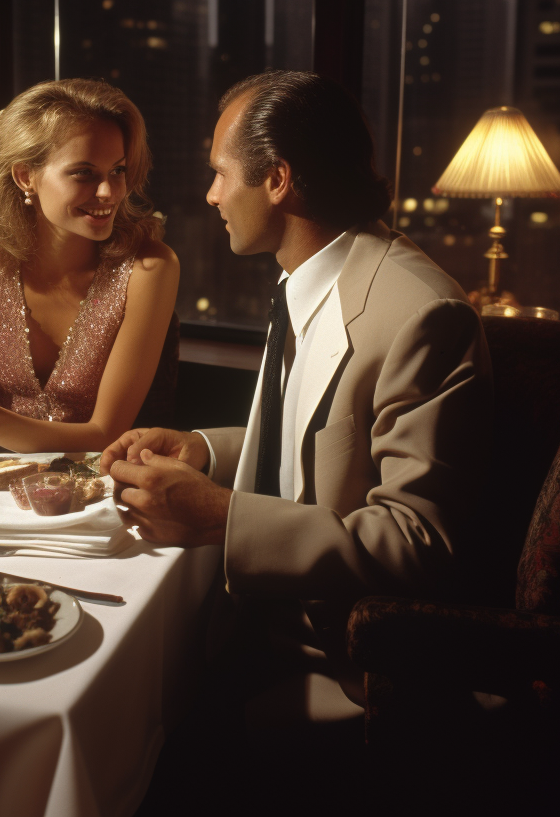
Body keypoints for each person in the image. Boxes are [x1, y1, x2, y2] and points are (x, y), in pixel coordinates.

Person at [103, 70, 492, 714]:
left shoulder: (419, 314)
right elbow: (307, 449)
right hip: (257, 627)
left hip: (338, 670)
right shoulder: (306, 282)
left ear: (278, 180)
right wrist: (204, 450)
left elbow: (417, 544)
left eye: (221, 173)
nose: (211, 195)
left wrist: (223, 516)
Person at [0, 78, 179, 453]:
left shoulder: (151, 268)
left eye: (117, 171)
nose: (109, 192)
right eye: (84, 173)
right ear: (26, 176)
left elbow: (105, 435)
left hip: (91, 488)